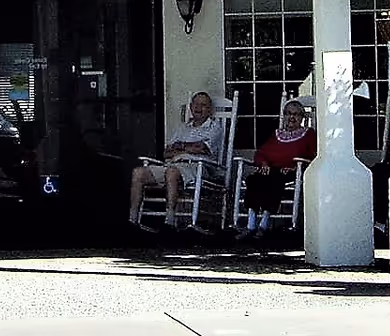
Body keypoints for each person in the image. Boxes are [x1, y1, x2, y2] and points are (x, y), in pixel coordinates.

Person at [128, 91, 223, 231]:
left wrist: (181, 146)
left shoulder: (215, 128)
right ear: (190, 107)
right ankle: (132, 220)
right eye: (195, 104)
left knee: (172, 173)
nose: (198, 108)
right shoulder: (183, 128)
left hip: (198, 167)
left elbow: (202, 149)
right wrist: (189, 147)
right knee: (138, 172)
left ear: (209, 110)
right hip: (173, 164)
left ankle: (170, 221)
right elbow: (166, 152)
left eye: (203, 105)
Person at [236, 100, 316, 240]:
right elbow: (261, 153)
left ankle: (264, 225)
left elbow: (313, 156)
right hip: (270, 169)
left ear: (302, 118)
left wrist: (295, 167)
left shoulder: (308, 134)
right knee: (254, 179)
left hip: (291, 172)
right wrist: (264, 164)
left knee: (275, 180)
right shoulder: (277, 134)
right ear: (284, 116)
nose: (292, 117)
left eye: (296, 114)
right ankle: (251, 225)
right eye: (288, 114)